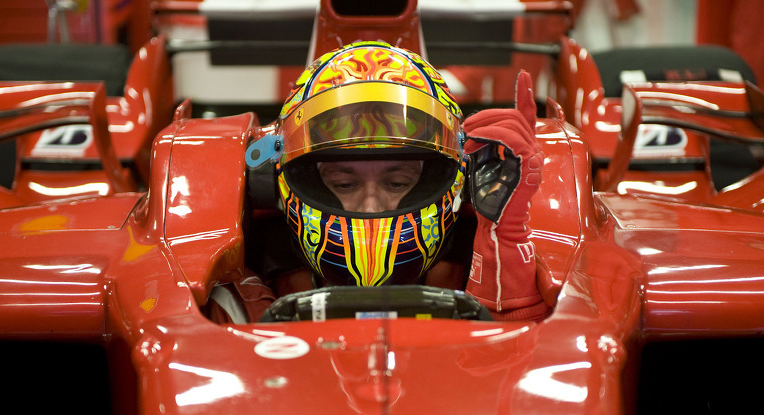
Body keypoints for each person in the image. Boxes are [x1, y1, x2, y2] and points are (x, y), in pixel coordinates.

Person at [210, 40, 549, 323]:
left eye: (397, 183)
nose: (371, 205)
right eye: (344, 184)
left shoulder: (486, 263)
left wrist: (505, 240)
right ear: (272, 182)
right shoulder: (236, 306)